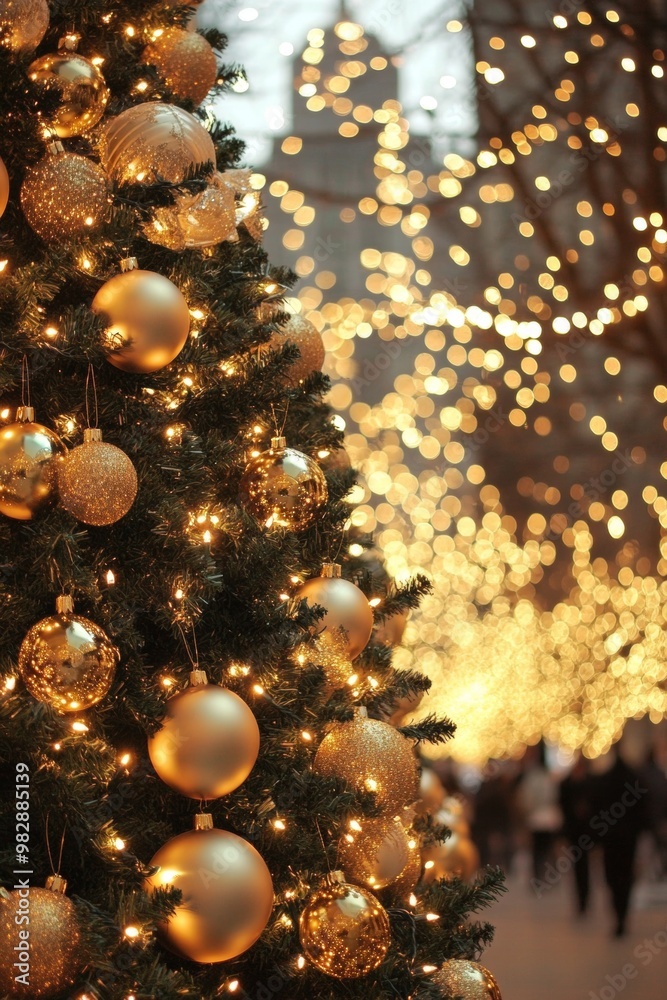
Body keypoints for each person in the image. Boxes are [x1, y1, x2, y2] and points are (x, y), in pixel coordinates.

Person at [590, 745, 648, 937]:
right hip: (627, 839)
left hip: (610, 839)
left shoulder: (604, 781)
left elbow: (596, 810)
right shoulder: (633, 779)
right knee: (625, 877)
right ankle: (623, 915)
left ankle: (619, 914)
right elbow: (643, 810)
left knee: (612, 877)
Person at [516, 741, 562, 884]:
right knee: (548, 850)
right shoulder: (548, 776)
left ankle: (538, 876)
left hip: (537, 819)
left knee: (538, 851)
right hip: (548, 819)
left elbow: (526, 798)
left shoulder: (532, 777)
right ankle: (549, 876)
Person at [559, 755, 593, 915]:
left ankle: (586, 898)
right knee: (579, 867)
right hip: (575, 833)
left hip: (589, 831)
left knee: (586, 867)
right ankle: (581, 900)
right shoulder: (566, 784)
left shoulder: (590, 783)